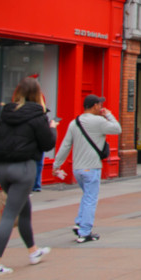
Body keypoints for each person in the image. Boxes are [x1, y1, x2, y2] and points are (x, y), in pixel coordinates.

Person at [0, 77, 56, 278]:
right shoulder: (38, 116)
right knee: (9, 215)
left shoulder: (5, 114)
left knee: (24, 210)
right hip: (23, 169)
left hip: (4, 170)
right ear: (37, 94)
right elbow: (46, 144)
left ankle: (33, 251)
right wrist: (52, 128)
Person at [53, 94, 121, 243]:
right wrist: (109, 114)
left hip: (77, 169)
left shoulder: (74, 122)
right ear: (95, 106)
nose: (101, 107)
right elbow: (117, 129)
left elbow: (65, 145)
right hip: (92, 167)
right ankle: (85, 232)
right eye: (100, 105)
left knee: (86, 196)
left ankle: (79, 223)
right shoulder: (99, 121)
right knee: (91, 199)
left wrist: (56, 164)